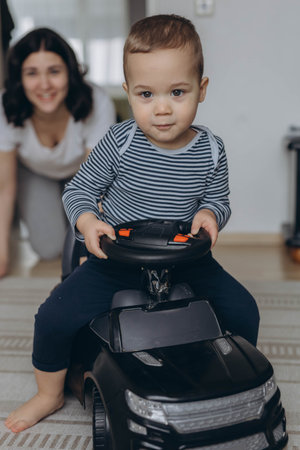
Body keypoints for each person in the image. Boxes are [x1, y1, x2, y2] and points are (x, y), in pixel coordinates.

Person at [5, 14, 260, 433]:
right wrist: (87, 223)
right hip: (116, 257)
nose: (162, 108)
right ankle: (49, 394)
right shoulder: (119, 142)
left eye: (177, 92)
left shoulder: (212, 150)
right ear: (128, 93)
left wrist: (210, 215)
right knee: (52, 317)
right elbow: (79, 191)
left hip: (186, 257)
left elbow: (218, 199)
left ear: (202, 89)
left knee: (242, 309)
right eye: (146, 94)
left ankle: (235, 385)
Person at [0, 27, 115, 278]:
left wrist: (91, 245)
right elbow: (4, 187)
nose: (44, 85)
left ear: (70, 72)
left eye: (54, 71)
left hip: (83, 175)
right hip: (35, 172)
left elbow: (98, 184)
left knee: (83, 238)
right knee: (49, 248)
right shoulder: (5, 108)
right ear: (19, 78)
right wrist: (2, 255)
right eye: (32, 73)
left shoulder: (97, 101)